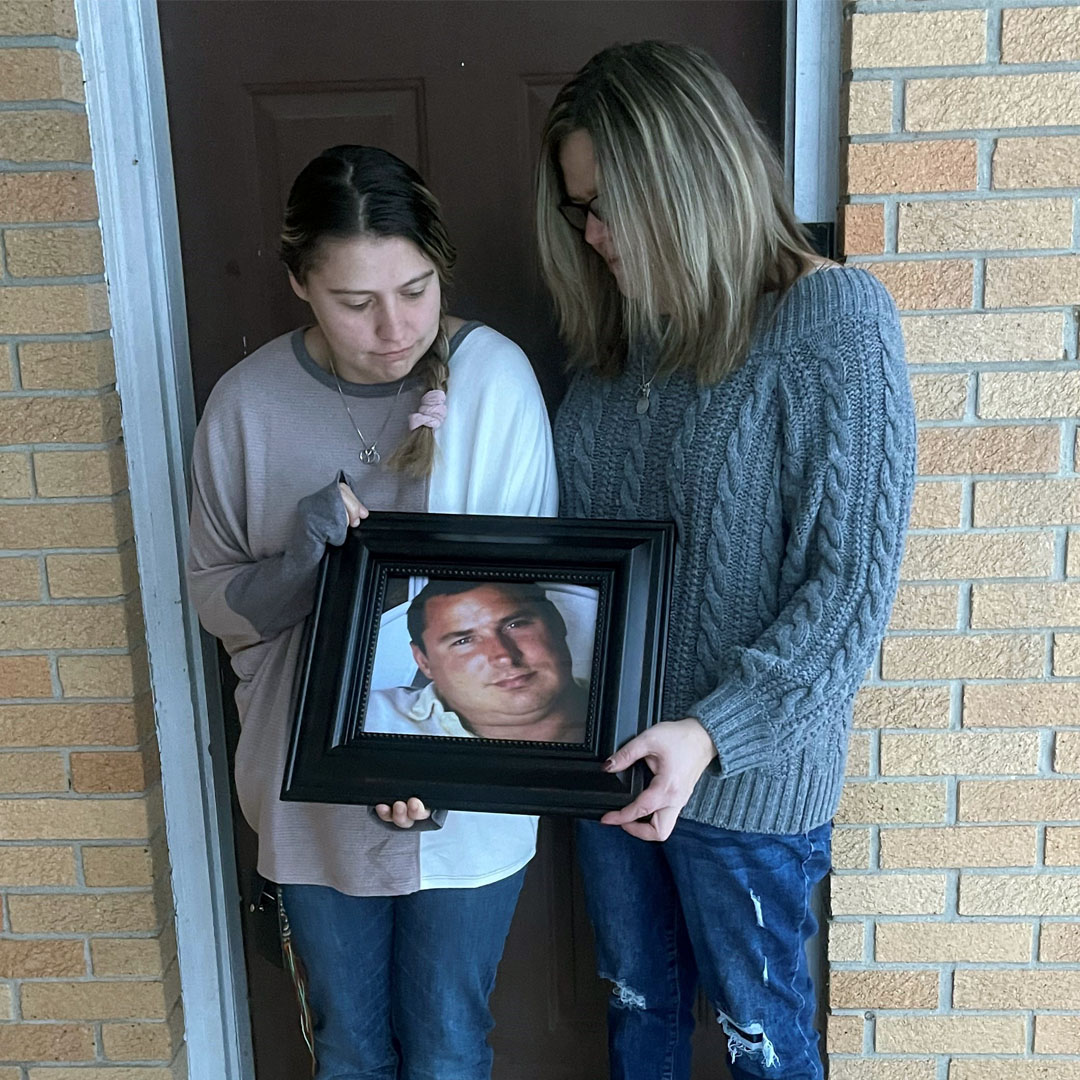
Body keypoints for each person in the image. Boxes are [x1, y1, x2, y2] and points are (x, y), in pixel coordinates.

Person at [536, 42, 916, 1080]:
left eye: (610, 203)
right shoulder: (619, 348)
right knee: (638, 1022)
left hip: (748, 789)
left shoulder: (834, 322)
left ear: (688, 177)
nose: (597, 236)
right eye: (580, 212)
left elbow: (846, 601)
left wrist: (711, 733)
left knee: (766, 1053)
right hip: (611, 770)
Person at [187, 145, 557, 1079]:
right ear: (299, 284)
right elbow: (220, 605)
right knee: (349, 1049)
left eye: (416, 289)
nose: (393, 327)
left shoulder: (490, 381)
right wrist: (304, 557)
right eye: (356, 302)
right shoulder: (247, 408)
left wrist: (430, 758)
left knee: (446, 1046)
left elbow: (523, 596)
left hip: (468, 775)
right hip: (308, 784)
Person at [365, 579, 589, 742]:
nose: (503, 656)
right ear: (424, 661)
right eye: (464, 641)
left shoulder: (622, 715)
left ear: (557, 622)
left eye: (516, 625)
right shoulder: (368, 720)